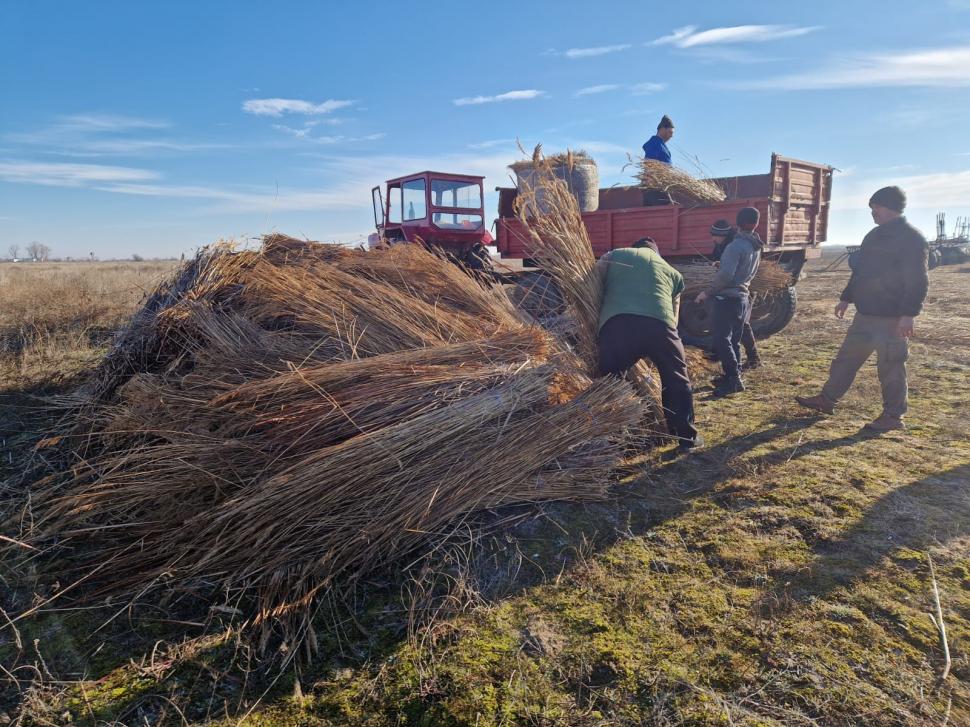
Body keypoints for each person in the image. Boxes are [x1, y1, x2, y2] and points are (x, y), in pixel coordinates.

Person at [796, 186, 928, 431]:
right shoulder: (873, 236)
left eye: (875, 207)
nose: (873, 212)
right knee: (846, 359)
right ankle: (827, 400)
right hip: (865, 315)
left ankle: (893, 417)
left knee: (891, 367)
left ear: (889, 207)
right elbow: (861, 272)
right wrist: (846, 297)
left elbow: (918, 280)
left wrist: (909, 314)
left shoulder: (911, 239)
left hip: (892, 319)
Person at [597, 237, 701, 452]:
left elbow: (592, 282)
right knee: (677, 379)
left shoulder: (616, 254)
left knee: (609, 379)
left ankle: (610, 438)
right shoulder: (673, 273)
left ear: (635, 249)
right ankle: (686, 438)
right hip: (659, 326)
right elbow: (674, 318)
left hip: (617, 325)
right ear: (656, 253)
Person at [695, 208, 763, 397]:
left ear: (738, 222)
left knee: (722, 340)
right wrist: (723, 264)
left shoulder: (734, 246)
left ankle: (734, 380)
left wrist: (706, 293)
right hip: (742, 298)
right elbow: (737, 269)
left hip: (727, 299)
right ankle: (732, 375)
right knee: (733, 340)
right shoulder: (755, 245)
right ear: (755, 224)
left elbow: (725, 277)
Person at [710, 219, 761, 371]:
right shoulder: (726, 244)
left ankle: (753, 359)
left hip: (742, 289)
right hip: (739, 288)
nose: (712, 239)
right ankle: (725, 357)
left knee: (742, 324)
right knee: (730, 328)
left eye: (714, 236)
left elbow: (729, 273)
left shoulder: (735, 245)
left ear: (723, 235)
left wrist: (709, 291)